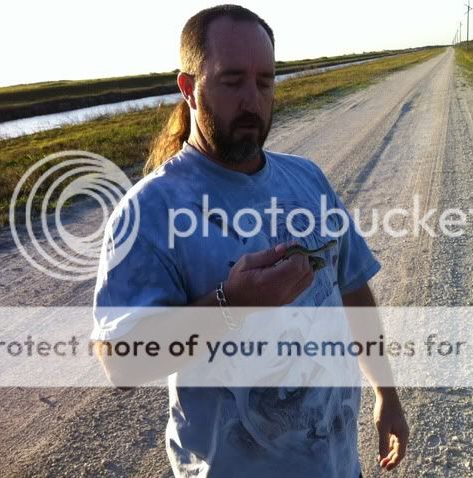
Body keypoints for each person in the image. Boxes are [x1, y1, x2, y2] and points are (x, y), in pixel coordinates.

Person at [91, 4, 408, 477]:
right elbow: (120, 363)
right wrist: (230, 304)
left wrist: (387, 393)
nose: (252, 100)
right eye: (232, 80)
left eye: (264, 81)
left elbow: (352, 289)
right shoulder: (151, 211)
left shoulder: (307, 179)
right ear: (188, 89)